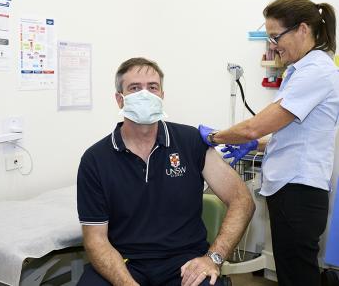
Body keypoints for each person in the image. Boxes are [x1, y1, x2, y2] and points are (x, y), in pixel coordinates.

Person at [77, 57, 255, 286]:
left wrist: (214, 258)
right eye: (134, 88)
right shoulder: (95, 159)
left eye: (152, 87)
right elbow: (95, 241)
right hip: (124, 262)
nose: (145, 94)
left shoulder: (190, 142)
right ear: (119, 100)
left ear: (162, 96)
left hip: (185, 263)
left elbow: (242, 200)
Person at [199, 0, 339, 286]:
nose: (273, 45)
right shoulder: (301, 71)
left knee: (298, 276)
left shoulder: (316, 72)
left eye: (276, 36)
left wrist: (213, 137)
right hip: (292, 189)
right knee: (295, 271)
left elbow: (255, 126)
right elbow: (293, 134)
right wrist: (257, 144)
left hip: (298, 190)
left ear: (302, 29)